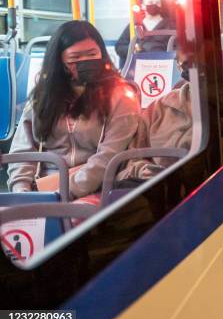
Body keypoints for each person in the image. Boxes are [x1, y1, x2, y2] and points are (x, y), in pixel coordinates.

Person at [7, 20, 140, 198]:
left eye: (92, 54)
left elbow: (108, 157)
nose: (85, 61)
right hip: (42, 186)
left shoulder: (121, 95)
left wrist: (64, 194)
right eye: (75, 58)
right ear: (60, 61)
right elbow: (23, 151)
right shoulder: (43, 96)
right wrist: (22, 191)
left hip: (98, 186)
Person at [117, 54, 223, 181]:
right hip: (158, 189)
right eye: (188, 62)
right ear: (180, 66)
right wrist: (149, 173)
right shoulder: (159, 107)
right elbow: (132, 159)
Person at [115, 0, 175, 68]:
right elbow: (119, 47)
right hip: (138, 67)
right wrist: (133, 48)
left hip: (164, 66)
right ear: (143, 6)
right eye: (150, 2)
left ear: (161, 5)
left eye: (157, 3)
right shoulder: (134, 26)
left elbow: (179, 48)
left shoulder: (170, 25)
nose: (154, 5)